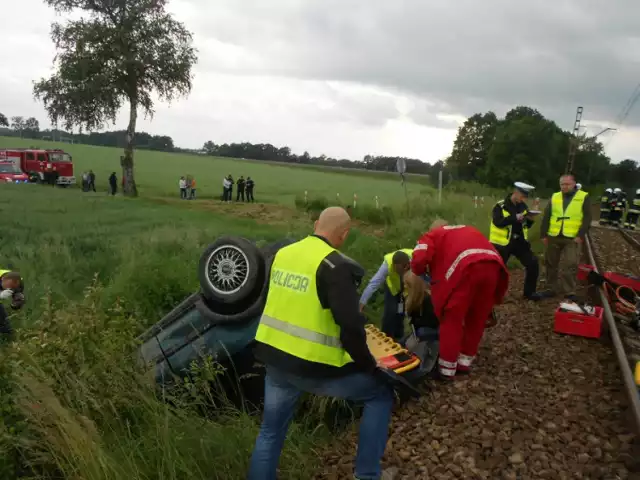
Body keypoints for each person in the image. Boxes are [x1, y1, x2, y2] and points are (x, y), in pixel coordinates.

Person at [248, 207, 395, 480]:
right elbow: (350, 327)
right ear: (344, 234)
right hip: (313, 366)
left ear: (316, 224)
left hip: (275, 359)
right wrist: (370, 366)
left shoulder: (284, 253)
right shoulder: (334, 265)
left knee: (270, 431)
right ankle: (367, 474)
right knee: (380, 394)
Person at [410, 220, 509, 380]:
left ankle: (446, 368)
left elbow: (419, 258)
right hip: (493, 266)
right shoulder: (467, 229)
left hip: (467, 269)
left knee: (452, 318)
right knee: (477, 317)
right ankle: (464, 362)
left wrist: (420, 271)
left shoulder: (433, 234)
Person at [489, 182, 545, 301]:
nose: (523, 199)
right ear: (516, 193)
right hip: (503, 243)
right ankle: (493, 295)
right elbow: (497, 222)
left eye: (525, 197)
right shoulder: (500, 206)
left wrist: (530, 220)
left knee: (533, 263)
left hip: (519, 242)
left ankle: (529, 293)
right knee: (497, 270)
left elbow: (526, 226)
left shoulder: (523, 206)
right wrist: (515, 217)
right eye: (522, 196)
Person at [540, 174, 591, 301]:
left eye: (567, 184)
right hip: (554, 235)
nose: (564, 186)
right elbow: (547, 215)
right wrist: (543, 234)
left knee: (571, 264)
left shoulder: (583, 196)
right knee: (550, 263)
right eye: (562, 184)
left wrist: (580, 235)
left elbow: (587, 218)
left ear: (574, 184)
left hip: (572, 237)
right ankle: (550, 288)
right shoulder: (555, 196)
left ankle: (569, 291)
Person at [359, 249, 413, 340]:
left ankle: (399, 337)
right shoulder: (386, 265)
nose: (401, 274)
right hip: (393, 288)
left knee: (401, 313)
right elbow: (373, 284)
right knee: (391, 312)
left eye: (403, 271)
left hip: (406, 289)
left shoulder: (415, 259)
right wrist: (361, 304)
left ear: (407, 265)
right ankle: (386, 338)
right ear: (394, 266)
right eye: (398, 271)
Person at [0, 270, 25, 339]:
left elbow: (18, 293)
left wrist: (17, 302)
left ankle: (8, 339)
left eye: (11, 288)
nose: (8, 289)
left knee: (4, 322)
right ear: (2, 280)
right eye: (6, 287)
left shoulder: (17, 280)